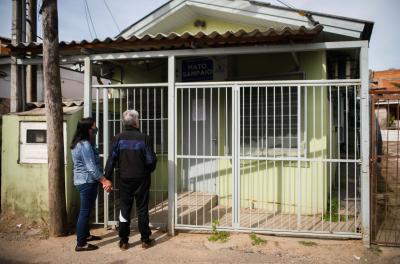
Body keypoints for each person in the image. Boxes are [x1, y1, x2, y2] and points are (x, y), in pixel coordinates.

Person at [104, 109, 157, 250]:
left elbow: (111, 159)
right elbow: (151, 160)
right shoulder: (144, 138)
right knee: (142, 208)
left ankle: (123, 240)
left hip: (124, 178)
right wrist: (148, 170)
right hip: (142, 179)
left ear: (124, 122)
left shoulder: (118, 138)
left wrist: (107, 177)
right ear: (135, 122)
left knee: (124, 208)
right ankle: (145, 240)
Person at [71, 117, 112, 252]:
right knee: (84, 212)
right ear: (87, 129)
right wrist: (104, 181)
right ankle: (81, 243)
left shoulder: (82, 143)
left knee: (86, 211)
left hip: (84, 180)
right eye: (94, 128)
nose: (95, 130)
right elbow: (91, 167)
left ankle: (86, 236)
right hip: (87, 181)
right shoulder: (84, 145)